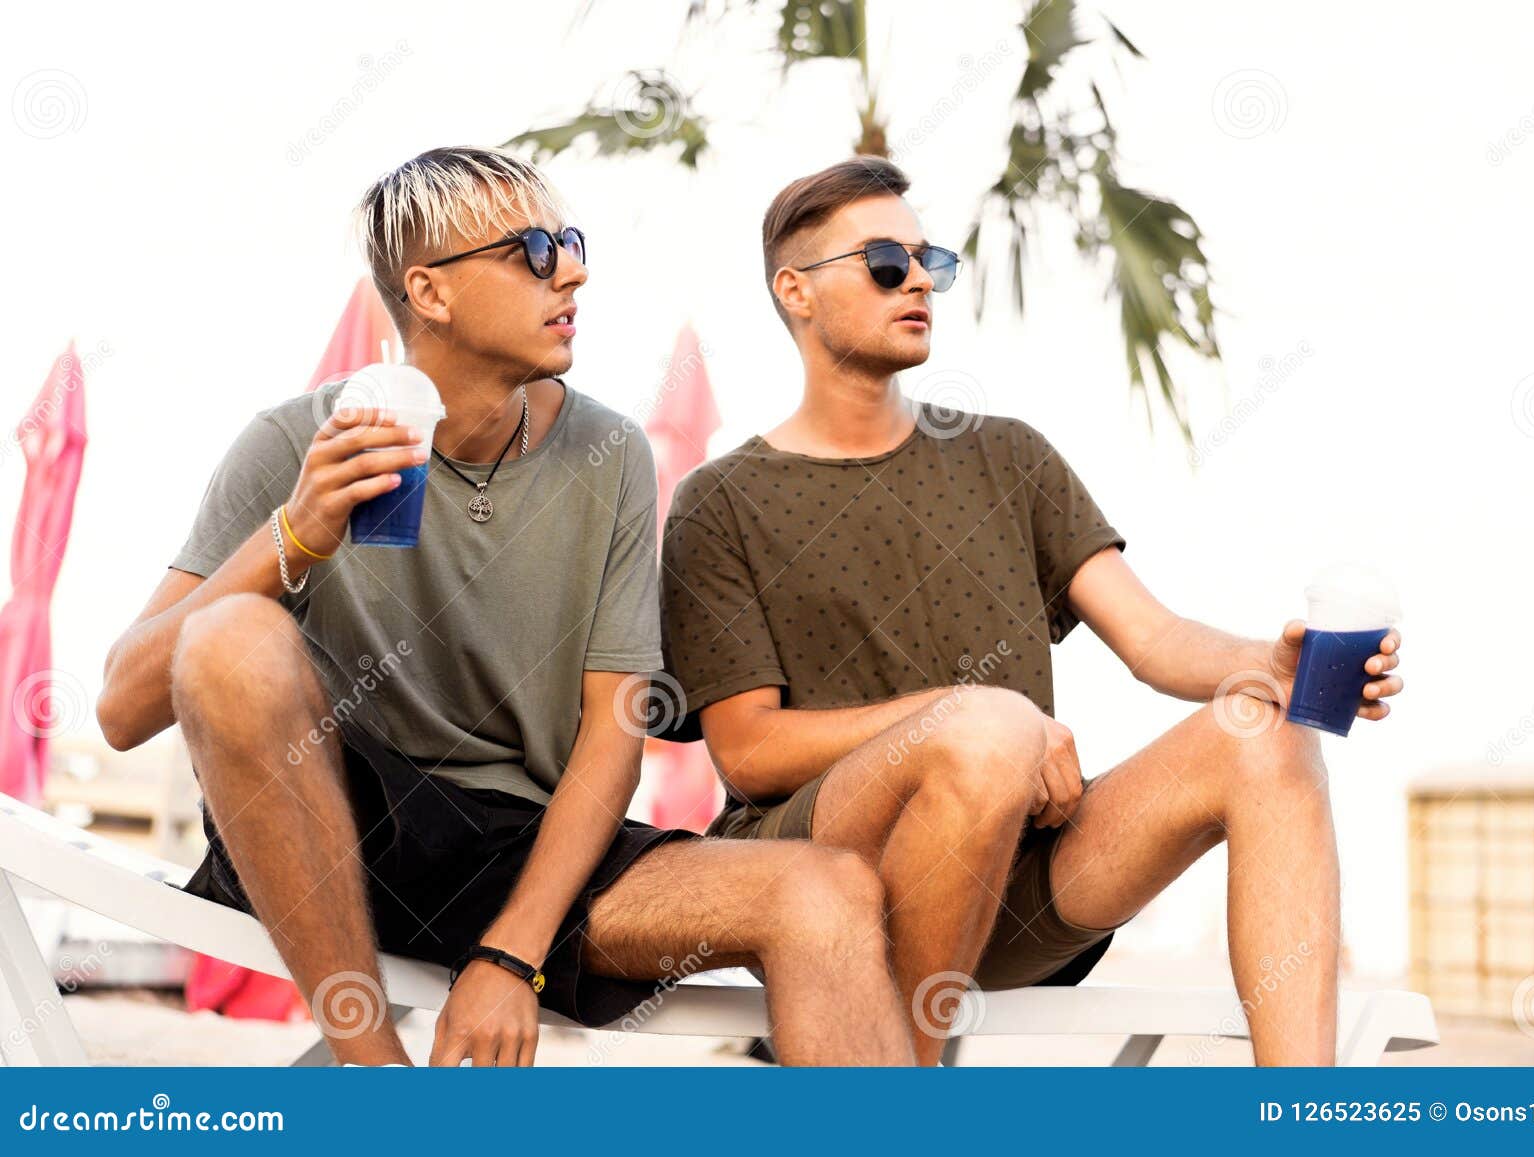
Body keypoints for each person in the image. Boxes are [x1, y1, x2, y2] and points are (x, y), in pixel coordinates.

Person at [97, 146, 913, 1067]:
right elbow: (125, 707)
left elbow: (613, 734)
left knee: (827, 890)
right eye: (531, 250)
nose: (574, 269)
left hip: (534, 852)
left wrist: (510, 954)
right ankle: (378, 1088)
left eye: (571, 241)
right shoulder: (296, 440)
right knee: (233, 634)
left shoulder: (611, 453)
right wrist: (297, 533)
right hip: (336, 829)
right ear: (430, 293)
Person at [658, 156, 1405, 1066]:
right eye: (886, 263)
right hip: (828, 878)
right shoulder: (720, 500)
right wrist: (977, 723)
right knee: (982, 733)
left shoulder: (1008, 458)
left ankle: (1301, 1117)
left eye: (930, 261)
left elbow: (1155, 637)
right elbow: (748, 749)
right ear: (796, 292)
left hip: (1022, 883)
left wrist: (1273, 665)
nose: (919, 283)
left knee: (1269, 730)